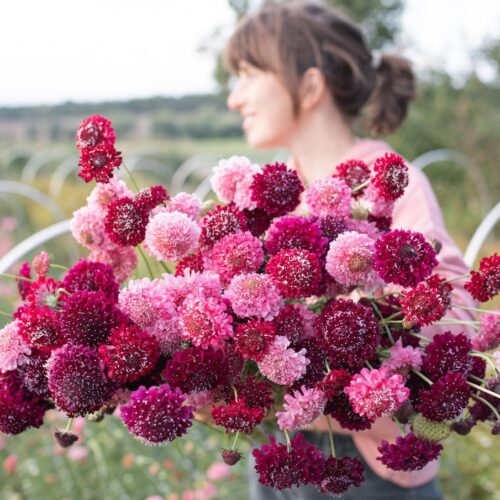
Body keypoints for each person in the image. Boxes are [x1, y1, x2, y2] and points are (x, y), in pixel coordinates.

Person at [223, 1, 477, 499]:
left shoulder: (389, 181)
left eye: (249, 74)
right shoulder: (266, 196)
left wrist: (360, 319)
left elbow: (456, 312)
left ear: (310, 86)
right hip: (283, 455)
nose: (235, 98)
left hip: (374, 469)